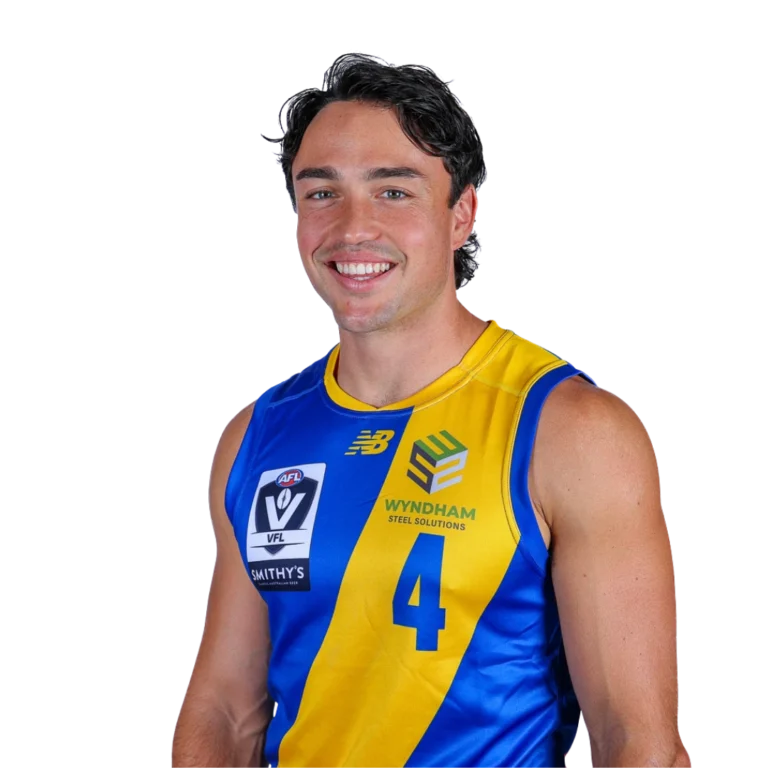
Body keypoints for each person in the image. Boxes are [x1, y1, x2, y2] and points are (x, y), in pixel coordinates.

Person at [173, 52, 689, 768]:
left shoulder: (569, 430)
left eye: (393, 191)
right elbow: (227, 710)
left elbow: (635, 742)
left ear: (461, 215)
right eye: (322, 192)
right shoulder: (256, 436)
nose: (352, 227)